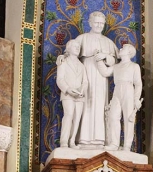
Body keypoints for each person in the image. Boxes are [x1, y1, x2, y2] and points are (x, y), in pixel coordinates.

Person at [73, 11, 119, 148]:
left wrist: (105, 56)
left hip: (100, 78)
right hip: (85, 74)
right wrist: (62, 57)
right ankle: (82, 139)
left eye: (101, 23)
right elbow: (71, 53)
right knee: (85, 103)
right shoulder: (82, 38)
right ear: (90, 23)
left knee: (99, 104)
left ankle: (100, 138)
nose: (99, 25)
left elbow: (114, 63)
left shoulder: (108, 42)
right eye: (96, 22)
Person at [96, 43, 142, 151]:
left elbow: (138, 84)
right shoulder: (116, 66)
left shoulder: (134, 66)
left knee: (128, 119)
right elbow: (105, 72)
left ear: (129, 52)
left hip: (128, 90)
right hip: (117, 90)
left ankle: (127, 146)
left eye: (123, 48)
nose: (120, 49)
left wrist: (136, 98)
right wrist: (99, 60)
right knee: (113, 117)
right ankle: (114, 144)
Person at [56, 39, 87, 149]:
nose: (77, 48)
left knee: (77, 117)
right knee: (68, 115)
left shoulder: (81, 65)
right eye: (75, 46)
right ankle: (64, 141)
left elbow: (85, 81)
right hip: (68, 94)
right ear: (69, 48)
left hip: (80, 96)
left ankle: (72, 141)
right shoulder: (63, 61)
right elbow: (60, 79)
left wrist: (82, 91)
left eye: (79, 46)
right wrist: (68, 90)